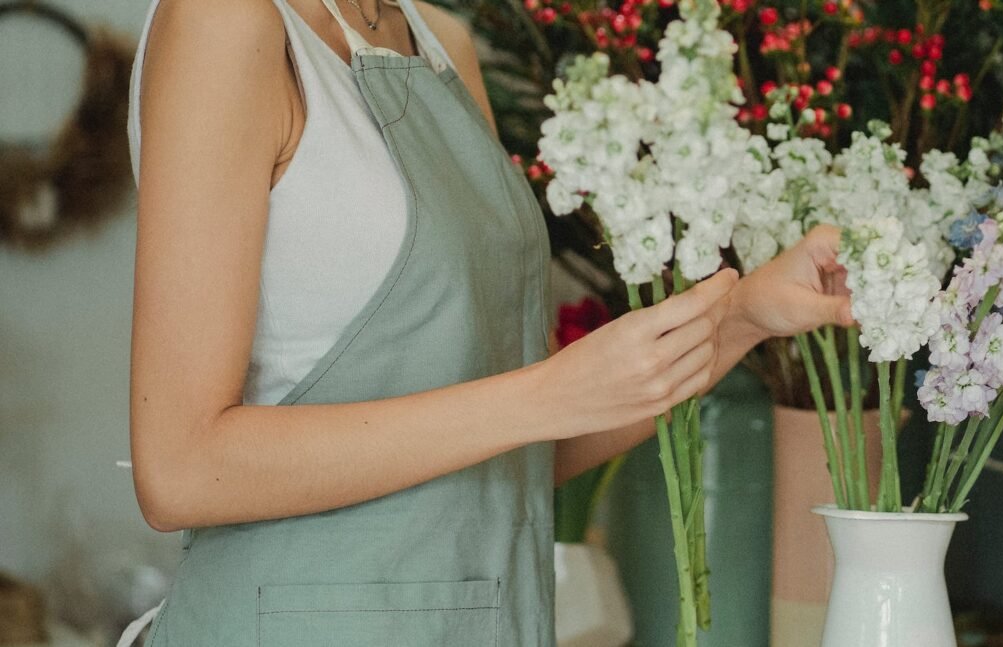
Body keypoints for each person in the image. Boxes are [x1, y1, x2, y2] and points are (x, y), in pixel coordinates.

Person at [124, 0, 853, 644]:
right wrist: (544, 394)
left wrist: (744, 315)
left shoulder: (443, 46)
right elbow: (182, 467)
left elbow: (519, 447)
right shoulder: (227, 23)